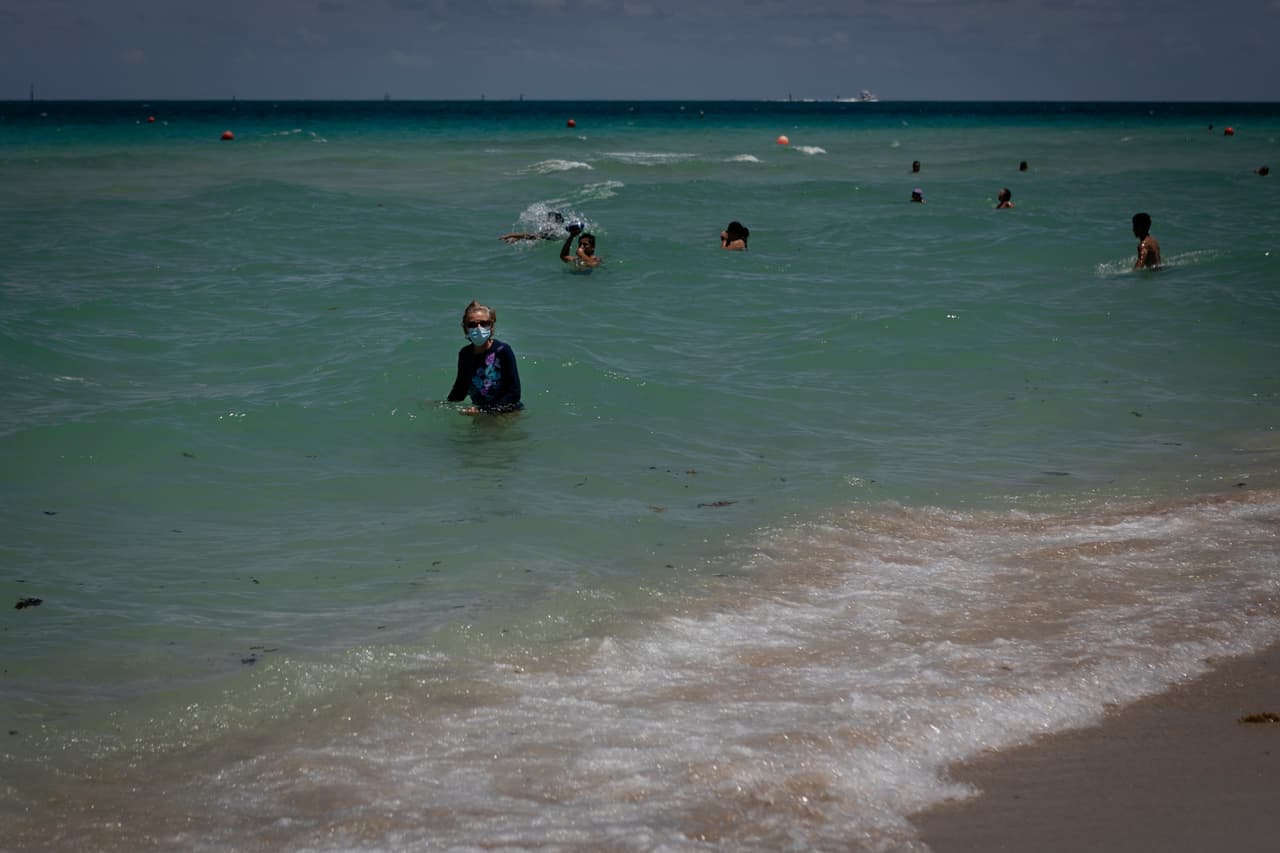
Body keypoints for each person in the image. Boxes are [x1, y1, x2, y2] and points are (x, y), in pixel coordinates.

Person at [446, 301, 523, 415]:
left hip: (507, 414)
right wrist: (444, 405)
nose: (478, 328)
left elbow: (514, 393)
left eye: (484, 323)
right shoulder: (465, 354)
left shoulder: (503, 350)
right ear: (465, 329)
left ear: (491, 326)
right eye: (472, 325)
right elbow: (461, 389)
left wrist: (484, 410)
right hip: (480, 412)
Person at [500, 211, 564, 243]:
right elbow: (533, 237)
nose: (545, 221)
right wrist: (517, 239)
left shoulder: (551, 232)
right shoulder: (555, 231)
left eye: (547, 219)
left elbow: (530, 236)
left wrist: (510, 235)